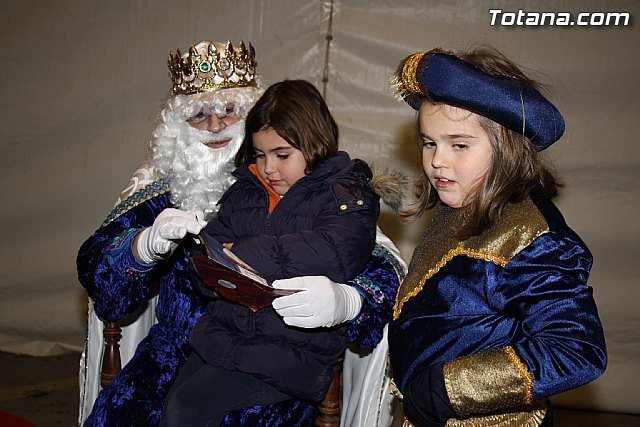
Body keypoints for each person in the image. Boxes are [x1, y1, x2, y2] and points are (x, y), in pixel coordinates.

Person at [77, 39, 405, 426]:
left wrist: (351, 300)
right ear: (176, 127)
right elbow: (99, 275)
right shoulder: (161, 193)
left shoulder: (323, 190)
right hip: (183, 344)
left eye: (229, 111)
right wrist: (142, 246)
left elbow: (372, 263)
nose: (215, 126)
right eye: (199, 115)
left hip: (279, 352)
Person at [387, 47, 607, 426]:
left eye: (459, 145)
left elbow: (576, 349)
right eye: (429, 142)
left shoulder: (531, 239)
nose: (437, 160)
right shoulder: (458, 202)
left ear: (507, 147)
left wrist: (447, 389)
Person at [160, 79, 380, 426]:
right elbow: (208, 251)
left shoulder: (345, 192)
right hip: (223, 336)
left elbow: (335, 251)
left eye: (282, 155)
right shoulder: (246, 191)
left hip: (292, 353)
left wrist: (241, 254)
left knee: (185, 410)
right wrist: (209, 267)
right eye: (260, 154)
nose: (268, 168)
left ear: (316, 142)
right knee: (171, 406)